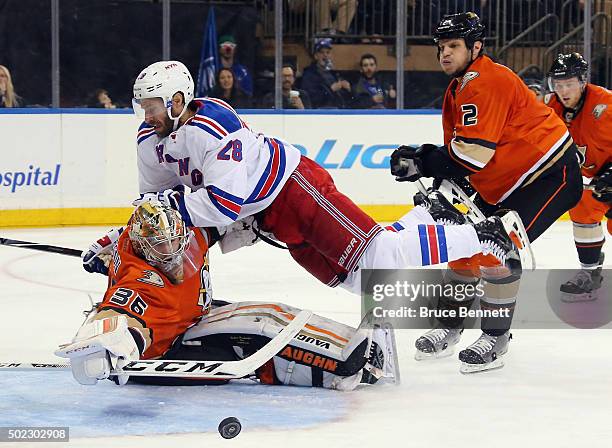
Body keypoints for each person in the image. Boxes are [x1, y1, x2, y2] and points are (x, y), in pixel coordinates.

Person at [83, 60, 525, 305]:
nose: (147, 114)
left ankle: (483, 233)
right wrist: (119, 239)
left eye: (155, 105)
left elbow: (223, 205)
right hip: (271, 218)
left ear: (179, 100)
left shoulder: (212, 123)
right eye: (143, 106)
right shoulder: (149, 140)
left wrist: (166, 212)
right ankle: (436, 233)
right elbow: (154, 206)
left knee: (379, 255)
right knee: (359, 282)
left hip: (294, 189)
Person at [390, 12, 583, 372]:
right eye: (442, 47)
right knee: (463, 241)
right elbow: (465, 154)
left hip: (549, 175)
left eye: (454, 46)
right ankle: (449, 327)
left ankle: (496, 337)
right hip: (507, 179)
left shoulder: (484, 79)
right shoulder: (461, 85)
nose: (445, 53)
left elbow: (473, 155)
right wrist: (426, 160)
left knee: (498, 244)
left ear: (475, 47)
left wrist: (424, 160)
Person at [58, 201, 398, 390]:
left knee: (269, 312)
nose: (173, 250)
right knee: (256, 335)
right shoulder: (138, 283)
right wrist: (104, 348)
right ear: (144, 248)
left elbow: (213, 223)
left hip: (192, 317)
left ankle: (349, 345)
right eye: (161, 246)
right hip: (167, 350)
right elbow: (118, 317)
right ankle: (346, 366)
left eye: (175, 240)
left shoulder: (183, 235)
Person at [544, 52, 612, 301]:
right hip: (591, 180)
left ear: (583, 82)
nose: (563, 90)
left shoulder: (605, 105)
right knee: (582, 212)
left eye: (569, 83)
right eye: (558, 84)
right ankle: (589, 274)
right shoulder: (552, 108)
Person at [300, 38, 353, 108]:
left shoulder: (334, 74)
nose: (325, 55)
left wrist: (348, 90)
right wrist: (331, 90)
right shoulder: (309, 75)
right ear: (316, 56)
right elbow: (311, 98)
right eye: (322, 52)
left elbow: (344, 99)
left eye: (328, 52)